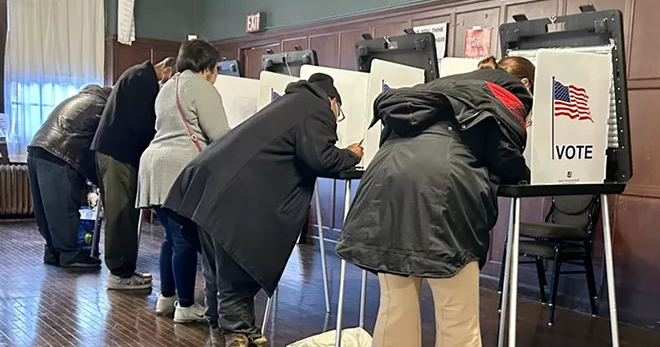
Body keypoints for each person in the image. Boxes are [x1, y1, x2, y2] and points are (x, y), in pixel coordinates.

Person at [335, 56, 535, 347]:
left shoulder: (436, 88)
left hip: (384, 185)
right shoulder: (506, 96)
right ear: (525, 84)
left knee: (395, 307)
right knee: (456, 314)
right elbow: (505, 156)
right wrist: (525, 173)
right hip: (445, 194)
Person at [162, 73, 364, 347]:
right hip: (235, 196)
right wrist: (352, 153)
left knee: (216, 270)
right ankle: (238, 334)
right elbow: (321, 158)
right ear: (333, 101)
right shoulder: (316, 107)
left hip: (207, 184)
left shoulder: (289, 102)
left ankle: (221, 330)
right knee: (236, 267)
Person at [136, 40, 229, 323]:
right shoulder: (202, 87)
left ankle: (167, 298)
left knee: (171, 237)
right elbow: (221, 136)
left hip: (153, 163)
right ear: (208, 68)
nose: (216, 75)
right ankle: (186, 306)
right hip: (178, 168)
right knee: (184, 239)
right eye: (216, 69)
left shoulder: (167, 87)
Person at [91, 57, 176, 290]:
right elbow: (144, 125)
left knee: (125, 213)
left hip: (115, 152)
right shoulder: (143, 80)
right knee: (120, 215)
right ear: (167, 72)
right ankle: (119, 274)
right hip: (117, 154)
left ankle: (125, 271)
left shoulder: (137, 74)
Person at [27, 85, 111, 268]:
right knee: (63, 207)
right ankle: (70, 255)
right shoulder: (103, 107)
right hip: (60, 153)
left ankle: (52, 251)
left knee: (45, 208)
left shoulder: (78, 100)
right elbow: (102, 147)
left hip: (37, 149)